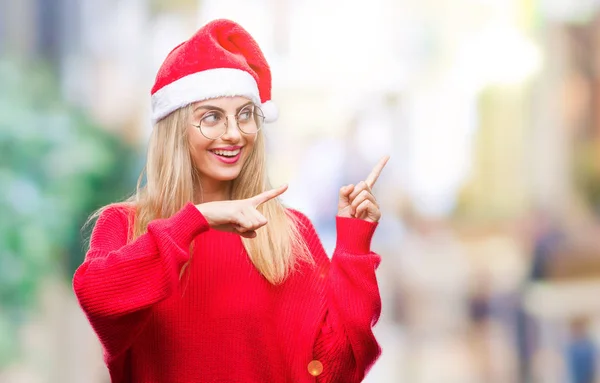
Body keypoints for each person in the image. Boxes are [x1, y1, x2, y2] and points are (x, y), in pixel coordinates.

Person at [73, 19, 388, 383]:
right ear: (176, 129)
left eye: (245, 115)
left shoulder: (290, 233)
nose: (234, 134)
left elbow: (339, 371)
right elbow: (97, 297)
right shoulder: (124, 225)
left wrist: (353, 245)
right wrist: (196, 220)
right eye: (212, 118)